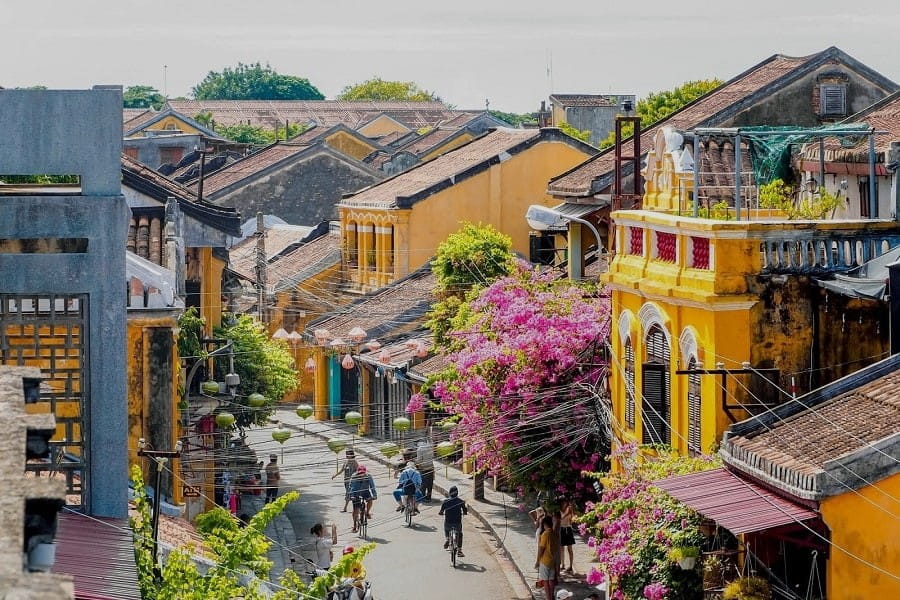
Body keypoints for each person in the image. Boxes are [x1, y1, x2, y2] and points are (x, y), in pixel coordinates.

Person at [438, 485, 468, 557]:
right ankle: (459, 550)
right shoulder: (460, 501)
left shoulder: (445, 501)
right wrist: (464, 513)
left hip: (448, 522)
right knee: (460, 534)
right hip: (457, 522)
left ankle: (448, 539)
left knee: (446, 530)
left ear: (450, 493)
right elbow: (465, 510)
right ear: (457, 493)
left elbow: (441, 511)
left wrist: (441, 513)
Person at [347, 465, 377, 532]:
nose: (361, 475)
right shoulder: (354, 476)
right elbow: (351, 487)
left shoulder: (368, 476)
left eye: (363, 473)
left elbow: (372, 486)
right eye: (360, 473)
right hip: (356, 493)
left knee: (370, 500)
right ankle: (354, 525)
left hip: (365, 492)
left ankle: (367, 512)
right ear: (358, 472)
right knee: (355, 510)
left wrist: (374, 495)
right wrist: (352, 496)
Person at [535, 515, 556, 600]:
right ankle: (551, 596)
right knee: (551, 580)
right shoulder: (554, 534)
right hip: (552, 561)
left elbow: (541, 548)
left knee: (545, 582)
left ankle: (548, 598)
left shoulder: (545, 534)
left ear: (545, 524)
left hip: (544, 560)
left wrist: (537, 560)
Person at [559, 498, 576, 573]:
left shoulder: (569, 509)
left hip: (568, 529)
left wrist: (571, 513)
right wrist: (566, 514)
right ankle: (562, 564)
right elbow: (560, 519)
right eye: (564, 502)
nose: (565, 504)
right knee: (561, 548)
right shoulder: (559, 511)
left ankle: (571, 565)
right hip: (561, 529)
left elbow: (572, 520)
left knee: (570, 549)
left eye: (566, 502)